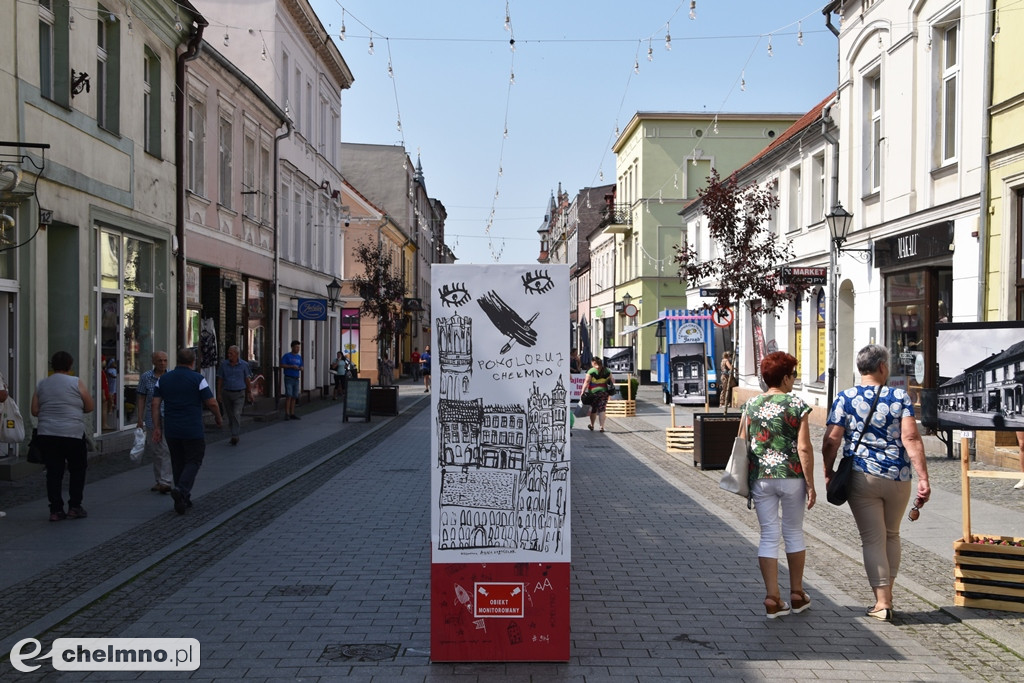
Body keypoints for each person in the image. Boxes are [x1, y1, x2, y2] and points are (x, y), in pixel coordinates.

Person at [822, 344, 930, 622]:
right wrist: (924, 478)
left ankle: (882, 603)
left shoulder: (845, 397)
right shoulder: (899, 397)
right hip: (898, 477)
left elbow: (831, 440)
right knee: (892, 534)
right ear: (882, 367)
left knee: (872, 538)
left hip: (861, 476)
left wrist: (828, 472)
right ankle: (888, 596)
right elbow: (911, 439)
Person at [740, 351, 815, 619]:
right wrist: (811, 483)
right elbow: (804, 448)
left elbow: (744, 442)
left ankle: (772, 598)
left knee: (769, 535)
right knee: (793, 531)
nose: (794, 379)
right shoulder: (797, 405)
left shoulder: (751, 405)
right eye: (793, 374)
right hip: (792, 476)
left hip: (761, 477)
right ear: (785, 378)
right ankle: (797, 593)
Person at [152, 348, 222, 515]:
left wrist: (157, 427)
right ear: (193, 362)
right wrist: (218, 417)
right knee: (194, 460)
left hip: (172, 429)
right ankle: (182, 489)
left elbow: (155, 404)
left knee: (177, 462)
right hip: (192, 429)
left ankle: (183, 498)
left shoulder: (163, 380)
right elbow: (211, 402)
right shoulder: (198, 379)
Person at [30, 351, 95, 521]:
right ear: (70, 365)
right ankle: (75, 506)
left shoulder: (42, 384)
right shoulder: (76, 382)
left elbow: (35, 410)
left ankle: (56, 510)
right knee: (77, 469)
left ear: (52, 366)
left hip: (48, 433)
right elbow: (89, 406)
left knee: (53, 472)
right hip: (72, 433)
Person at [135, 351, 173, 493]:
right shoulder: (146, 377)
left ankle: (166, 481)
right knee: (156, 450)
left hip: (168, 417)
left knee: (165, 449)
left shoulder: (171, 376)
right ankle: (160, 480)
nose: (163, 363)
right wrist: (140, 418)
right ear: (154, 362)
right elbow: (141, 398)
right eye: (159, 361)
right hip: (152, 418)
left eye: (165, 360)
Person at [216, 345, 253, 446]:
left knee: (236, 413)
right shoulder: (224, 365)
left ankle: (235, 435)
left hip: (239, 393)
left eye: (231, 354)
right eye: (228, 353)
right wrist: (218, 394)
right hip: (226, 393)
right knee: (230, 414)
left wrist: (249, 392)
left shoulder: (244, 365)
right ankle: (233, 431)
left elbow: (247, 379)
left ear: (237, 354)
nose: (229, 355)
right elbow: (220, 380)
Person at [581, 357, 614, 433]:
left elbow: (586, 382)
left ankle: (592, 425)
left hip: (593, 393)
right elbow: (612, 381)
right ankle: (601, 426)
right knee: (602, 409)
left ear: (593, 363)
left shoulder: (591, 371)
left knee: (594, 409)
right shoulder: (607, 370)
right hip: (604, 392)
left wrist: (582, 391)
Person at [280, 340, 303, 420]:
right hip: (289, 377)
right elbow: (282, 365)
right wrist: (291, 366)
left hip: (296, 378)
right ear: (292, 347)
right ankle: (287, 413)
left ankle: (292, 413)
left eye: (298, 347)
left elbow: (302, 366)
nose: (298, 349)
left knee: (294, 396)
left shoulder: (299, 357)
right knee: (289, 395)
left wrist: (300, 368)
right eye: (296, 347)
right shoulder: (287, 356)